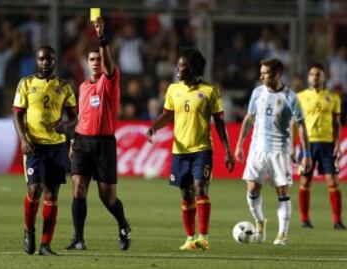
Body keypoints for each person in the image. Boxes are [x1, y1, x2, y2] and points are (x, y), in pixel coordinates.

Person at [146, 48, 235, 250]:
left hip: (202, 149)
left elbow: (220, 122)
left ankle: (203, 237)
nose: (177, 69)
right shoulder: (173, 90)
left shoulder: (210, 91)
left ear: (192, 68)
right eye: (177, 65)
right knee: (186, 194)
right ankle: (190, 238)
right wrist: (153, 127)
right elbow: (168, 115)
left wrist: (228, 150)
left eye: (182, 65)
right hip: (180, 151)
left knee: (200, 188)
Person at [65, 16, 131, 251]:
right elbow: (82, 115)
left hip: (104, 144)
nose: (95, 62)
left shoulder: (110, 82)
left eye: (98, 59)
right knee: (78, 187)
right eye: (91, 59)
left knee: (107, 196)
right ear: (87, 62)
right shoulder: (83, 87)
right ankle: (78, 238)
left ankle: (123, 225)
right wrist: (73, 139)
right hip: (82, 141)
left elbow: (108, 62)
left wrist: (101, 36)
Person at [234, 58, 312, 245]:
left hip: (279, 151)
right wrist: (239, 145)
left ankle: (282, 235)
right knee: (252, 189)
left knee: (282, 192)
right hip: (257, 150)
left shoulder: (290, 97)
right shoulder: (257, 92)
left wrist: (306, 154)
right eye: (261, 72)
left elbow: (301, 126)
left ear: (277, 74)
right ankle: (260, 222)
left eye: (265, 73)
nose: (261, 76)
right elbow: (249, 119)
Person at [12, 45, 77, 255]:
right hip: (34, 145)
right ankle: (28, 230)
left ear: (54, 61)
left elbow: (77, 116)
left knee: (52, 194)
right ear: (36, 61)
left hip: (56, 146)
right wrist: (22, 139)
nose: (45, 63)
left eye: (49, 59)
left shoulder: (64, 86)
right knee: (34, 189)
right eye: (41, 59)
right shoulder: (26, 83)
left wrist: (66, 126)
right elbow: (17, 114)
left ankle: (46, 244)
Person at [295, 63, 345, 229]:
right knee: (305, 180)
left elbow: (336, 123)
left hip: (327, 144)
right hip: (307, 144)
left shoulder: (333, 97)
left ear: (324, 77)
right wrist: (290, 146)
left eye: (318, 74)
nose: (315, 77)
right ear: (308, 77)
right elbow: (293, 123)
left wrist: (337, 142)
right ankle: (304, 219)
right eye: (312, 74)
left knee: (332, 181)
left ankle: (337, 221)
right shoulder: (300, 97)